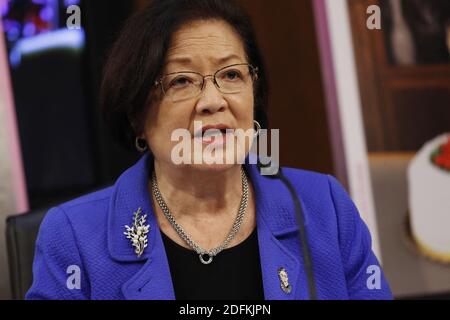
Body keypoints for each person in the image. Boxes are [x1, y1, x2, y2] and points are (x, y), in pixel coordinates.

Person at [26, 0, 392, 300]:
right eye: (182, 80)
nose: (213, 101)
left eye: (231, 75)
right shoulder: (74, 237)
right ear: (136, 114)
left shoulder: (325, 207)